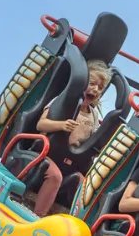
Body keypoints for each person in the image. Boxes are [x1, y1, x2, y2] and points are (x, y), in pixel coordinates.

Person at [32, 59, 111, 215]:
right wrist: (61, 125)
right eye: (92, 83)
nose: (95, 90)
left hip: (72, 161)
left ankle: (70, 222)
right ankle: (37, 216)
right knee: (55, 177)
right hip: (47, 153)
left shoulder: (93, 115)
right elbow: (41, 124)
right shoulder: (63, 101)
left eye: (100, 88)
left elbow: (93, 141)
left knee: (85, 186)